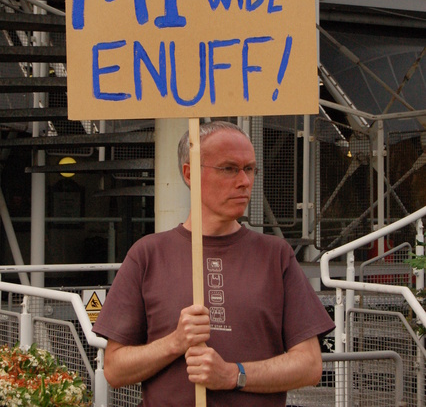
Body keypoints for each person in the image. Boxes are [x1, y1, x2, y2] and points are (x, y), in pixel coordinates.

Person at [93, 121, 334, 406]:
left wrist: (234, 375)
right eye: (229, 169)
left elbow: (309, 365)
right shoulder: (148, 255)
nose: (244, 181)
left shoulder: (276, 255)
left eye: (250, 169)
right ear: (190, 174)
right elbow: (115, 369)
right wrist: (175, 342)